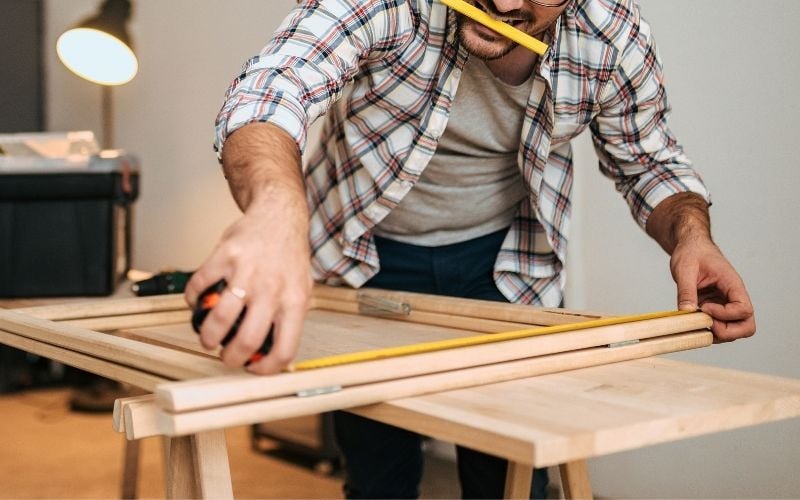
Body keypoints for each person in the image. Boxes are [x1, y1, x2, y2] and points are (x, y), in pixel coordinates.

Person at [186, 0, 756, 497]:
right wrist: (277, 212)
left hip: (508, 269)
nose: (507, 1)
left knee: (510, 478)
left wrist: (692, 235)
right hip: (366, 264)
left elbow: (648, 159)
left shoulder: (611, 31)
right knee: (377, 478)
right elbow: (274, 87)